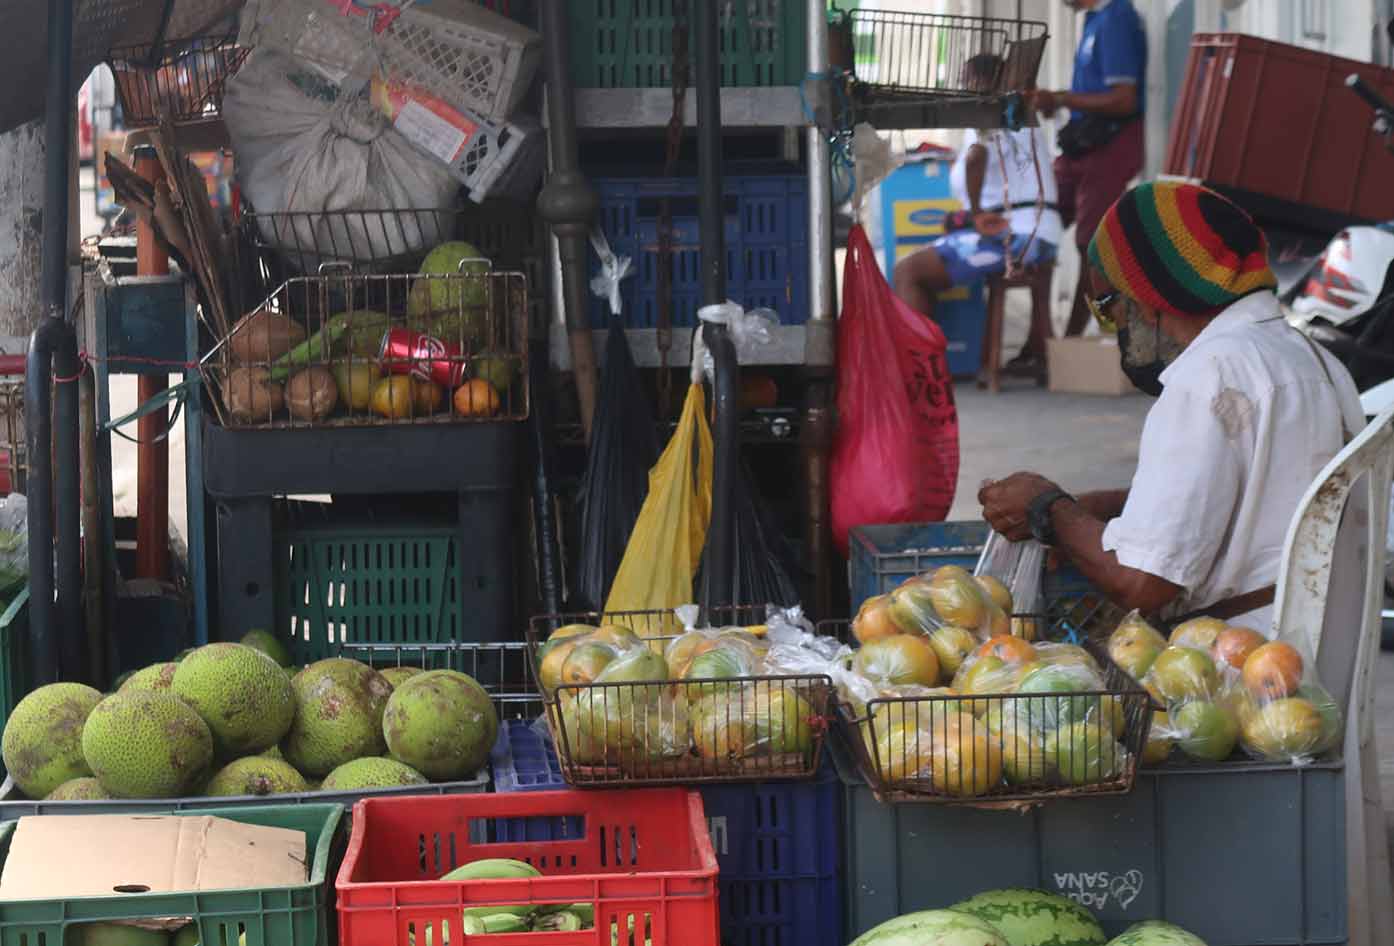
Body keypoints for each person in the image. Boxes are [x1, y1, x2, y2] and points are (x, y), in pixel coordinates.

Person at [978, 181, 1365, 632]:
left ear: (1148, 295)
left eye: (1108, 308)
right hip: (1318, 647)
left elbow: (1143, 583)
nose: (1114, 328)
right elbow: (1260, 497)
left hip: (1238, 668)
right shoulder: (1315, 359)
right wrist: (1114, 505)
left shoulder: (1208, 375)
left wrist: (1048, 507)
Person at [893, 54, 1062, 376]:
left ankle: (920, 373)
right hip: (1038, 232)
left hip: (1016, 237)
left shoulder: (989, 112)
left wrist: (973, 214)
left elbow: (975, 157)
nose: (960, 88)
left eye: (964, 81)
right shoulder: (1017, 115)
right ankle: (940, 364)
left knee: (909, 271)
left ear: (981, 83)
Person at [1031, 0, 1147, 341]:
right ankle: (1040, 344)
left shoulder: (1117, 19)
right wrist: (1058, 102)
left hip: (1108, 147)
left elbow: (1124, 99)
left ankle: (1071, 340)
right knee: (1037, 225)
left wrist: (1062, 99)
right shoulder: (1093, 21)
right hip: (1081, 145)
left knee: (1091, 248)